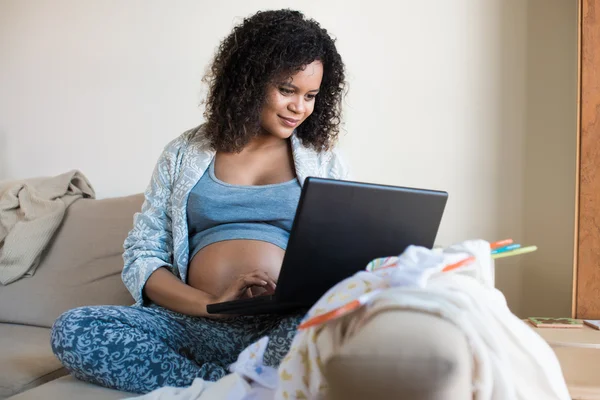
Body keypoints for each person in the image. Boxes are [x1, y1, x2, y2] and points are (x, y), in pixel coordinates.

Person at [50, 8, 348, 394]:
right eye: (287, 90)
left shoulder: (324, 160)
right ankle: (232, 387)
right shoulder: (183, 153)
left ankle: (231, 384)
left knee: (333, 324)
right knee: (75, 329)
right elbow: (144, 254)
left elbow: (338, 260)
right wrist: (211, 303)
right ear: (250, 81)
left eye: (310, 96)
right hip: (195, 322)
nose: (299, 108)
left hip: (281, 324)